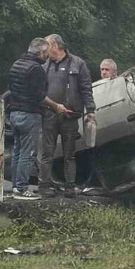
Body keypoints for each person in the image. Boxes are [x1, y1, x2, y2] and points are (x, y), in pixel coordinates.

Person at [8, 38, 66, 200]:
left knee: (17, 151)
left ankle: (15, 186)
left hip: (14, 113)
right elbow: (40, 96)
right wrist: (56, 106)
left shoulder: (16, 65)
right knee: (28, 153)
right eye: (46, 53)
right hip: (29, 114)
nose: (47, 56)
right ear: (40, 53)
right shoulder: (36, 69)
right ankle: (22, 189)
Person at [38, 34, 96, 198]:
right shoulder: (44, 65)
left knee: (69, 154)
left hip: (70, 116)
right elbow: (39, 90)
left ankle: (70, 186)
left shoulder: (78, 63)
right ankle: (44, 185)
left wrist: (90, 111)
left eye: (47, 45)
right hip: (49, 114)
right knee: (47, 152)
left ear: (56, 46)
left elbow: (86, 88)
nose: (44, 49)